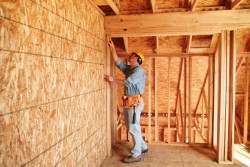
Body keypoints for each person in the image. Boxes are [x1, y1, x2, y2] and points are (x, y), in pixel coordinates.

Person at [104, 37, 148, 163]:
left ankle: (136, 154)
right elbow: (118, 63)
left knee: (133, 127)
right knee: (131, 126)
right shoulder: (130, 69)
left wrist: (113, 80)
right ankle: (143, 146)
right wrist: (112, 48)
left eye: (132, 56)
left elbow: (128, 82)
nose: (130, 57)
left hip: (134, 103)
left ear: (137, 59)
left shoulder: (139, 70)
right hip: (129, 102)